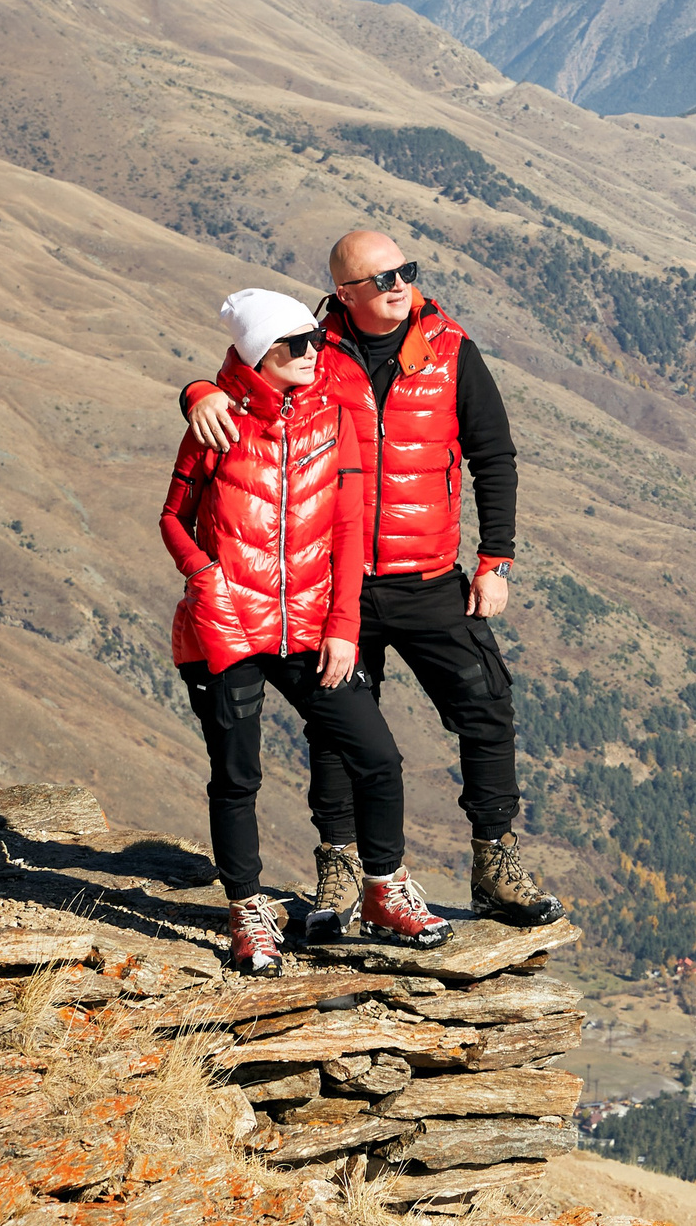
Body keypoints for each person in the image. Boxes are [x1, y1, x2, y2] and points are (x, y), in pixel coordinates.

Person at [184, 234, 567, 930]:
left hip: (427, 575)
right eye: (383, 276)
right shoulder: (311, 348)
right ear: (346, 292)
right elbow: (239, 383)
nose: (401, 283)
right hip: (339, 579)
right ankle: (342, 864)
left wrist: (497, 558)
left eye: (406, 271)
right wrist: (197, 390)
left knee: (486, 702)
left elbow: (493, 453)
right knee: (339, 726)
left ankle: (494, 860)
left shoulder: (450, 349)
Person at [160, 286, 452, 972]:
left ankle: (381, 888)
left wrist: (344, 625)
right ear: (262, 354)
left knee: (376, 754)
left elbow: (350, 527)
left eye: (314, 339)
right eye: (295, 344)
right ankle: (248, 913)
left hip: (312, 626)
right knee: (237, 774)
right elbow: (173, 516)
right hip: (228, 626)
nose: (313, 351)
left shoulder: (333, 417)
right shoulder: (218, 422)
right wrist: (207, 580)